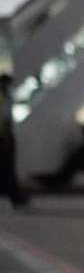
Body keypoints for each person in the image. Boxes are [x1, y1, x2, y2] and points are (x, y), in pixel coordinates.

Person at [0, 73, 29, 209]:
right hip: (4, 137)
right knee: (8, 168)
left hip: (4, 136)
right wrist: (7, 138)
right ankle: (15, 197)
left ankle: (13, 195)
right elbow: (6, 119)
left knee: (6, 169)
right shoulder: (4, 98)